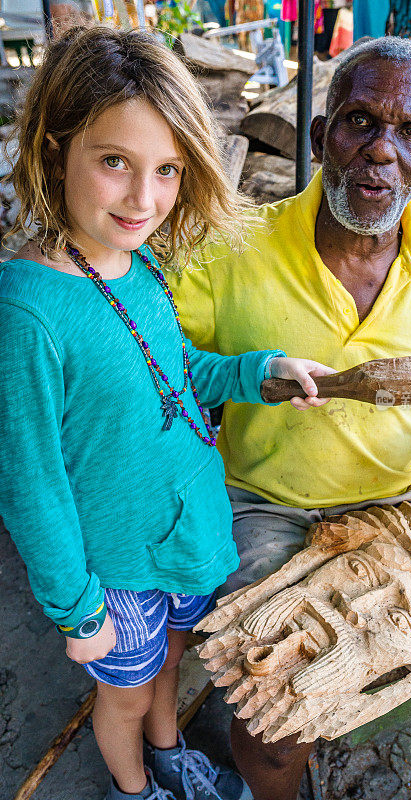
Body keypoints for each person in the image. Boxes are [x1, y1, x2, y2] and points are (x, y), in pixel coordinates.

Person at [170, 36, 411, 800]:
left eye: (409, 132)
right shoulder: (232, 249)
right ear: (319, 136)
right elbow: (159, 366)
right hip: (270, 507)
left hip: (408, 500)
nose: (381, 152)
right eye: (359, 121)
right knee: (275, 714)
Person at [0, 26, 334, 800]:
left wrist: (259, 373)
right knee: (121, 690)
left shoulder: (139, 263)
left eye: (168, 170)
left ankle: (169, 745)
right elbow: (31, 483)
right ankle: (134, 786)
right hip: (113, 569)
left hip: (184, 531)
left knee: (170, 658)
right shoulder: (27, 310)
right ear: (56, 150)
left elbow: (175, 371)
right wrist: (77, 610)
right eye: (114, 162)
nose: (144, 199)